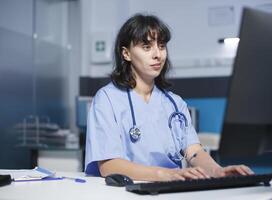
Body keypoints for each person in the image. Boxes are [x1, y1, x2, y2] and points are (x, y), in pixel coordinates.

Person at [85, 13, 254, 181]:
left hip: (171, 188)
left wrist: (217, 171)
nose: (158, 54)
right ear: (126, 54)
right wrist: (165, 174)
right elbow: (109, 166)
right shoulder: (107, 99)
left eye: (161, 46)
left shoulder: (175, 103)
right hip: (126, 192)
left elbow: (194, 151)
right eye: (147, 47)